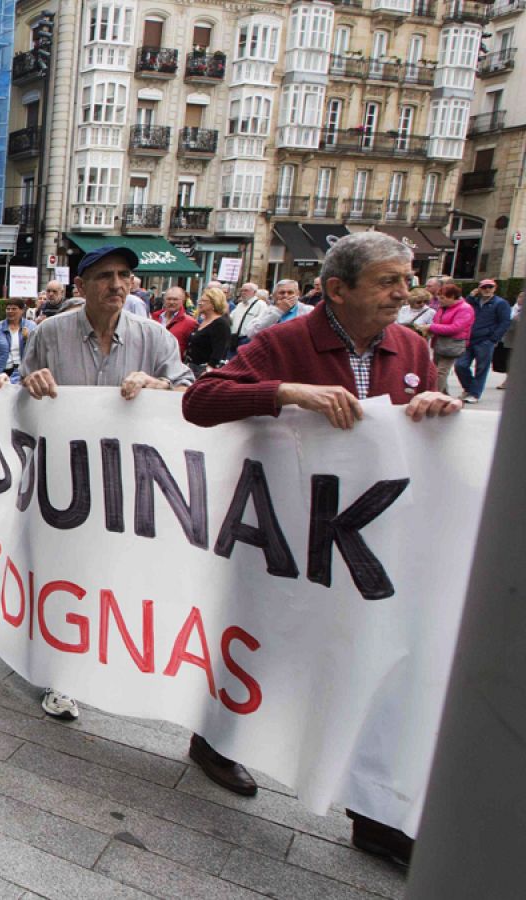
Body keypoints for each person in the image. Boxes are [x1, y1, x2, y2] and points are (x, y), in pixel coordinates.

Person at [182, 232, 459, 866]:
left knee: (380, 661)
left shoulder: (413, 345)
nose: (403, 292)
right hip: (288, 533)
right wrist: (285, 392)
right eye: (388, 281)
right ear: (338, 289)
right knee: (265, 642)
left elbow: (433, 418)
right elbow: (201, 401)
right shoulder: (285, 342)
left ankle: (377, 814)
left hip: (375, 537)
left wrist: (440, 405)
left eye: (405, 279)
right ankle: (217, 738)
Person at [21, 244, 193, 725]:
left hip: (127, 482)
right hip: (64, 479)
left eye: (124, 276)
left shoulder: (156, 339)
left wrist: (162, 388)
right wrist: (29, 382)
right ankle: (62, 675)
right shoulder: (51, 333)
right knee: (66, 573)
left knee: (111, 573)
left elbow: (188, 389)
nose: (117, 285)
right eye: (104, 277)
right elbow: (23, 380)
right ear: (80, 287)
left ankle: (101, 660)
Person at [456, 278, 512, 403]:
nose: (487, 289)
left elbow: (505, 322)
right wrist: (470, 296)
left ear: (494, 288)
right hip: (470, 338)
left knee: (481, 368)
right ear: (479, 289)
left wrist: (493, 338)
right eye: (484, 287)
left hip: (486, 340)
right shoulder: (474, 301)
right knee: (460, 365)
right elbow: (463, 308)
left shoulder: (500, 303)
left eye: (490, 287)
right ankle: (470, 388)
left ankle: (474, 394)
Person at [419, 284, 474, 396]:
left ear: (453, 297)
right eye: (439, 297)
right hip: (439, 342)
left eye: (443, 298)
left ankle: (433, 395)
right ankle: (443, 394)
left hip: (453, 344)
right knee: (434, 371)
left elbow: (456, 328)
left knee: (440, 372)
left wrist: (431, 327)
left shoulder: (465, 309)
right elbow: (436, 321)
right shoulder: (443, 307)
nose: (440, 300)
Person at [186, 286, 233, 374]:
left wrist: (209, 369)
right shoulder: (203, 321)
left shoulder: (220, 324)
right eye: (200, 300)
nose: (199, 303)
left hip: (205, 371)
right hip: (193, 368)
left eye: (204, 301)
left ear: (214, 304)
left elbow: (220, 350)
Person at [0, 298, 33, 381]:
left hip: (22, 373)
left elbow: (36, 350)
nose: (10, 311)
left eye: (14, 309)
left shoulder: (31, 326)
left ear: (22, 311)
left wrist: (28, 339)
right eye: (8, 309)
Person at [227, 282, 278, 356]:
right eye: (242, 290)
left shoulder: (260, 305)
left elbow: (263, 323)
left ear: (254, 292)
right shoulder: (239, 305)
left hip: (247, 339)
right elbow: (231, 319)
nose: (243, 293)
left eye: (246, 290)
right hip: (234, 339)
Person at [155, 286, 197, 359]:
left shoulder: (190, 323)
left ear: (183, 301)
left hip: (175, 364)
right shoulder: (153, 318)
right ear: (164, 300)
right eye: (169, 299)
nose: (171, 302)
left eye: (175, 299)